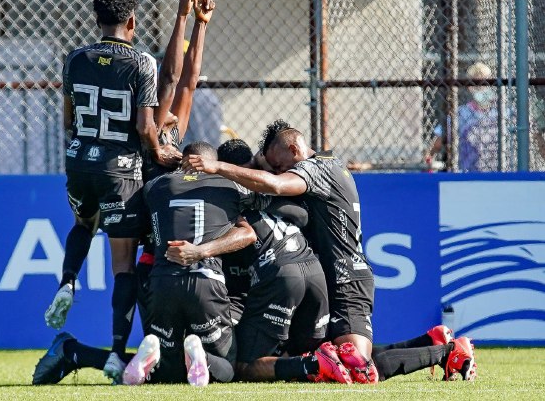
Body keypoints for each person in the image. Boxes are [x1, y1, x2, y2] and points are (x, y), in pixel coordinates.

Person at [184, 124, 477, 383]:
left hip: (347, 279)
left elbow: (273, 185)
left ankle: (449, 352)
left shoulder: (318, 168)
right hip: (331, 278)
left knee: (360, 368)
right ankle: (429, 340)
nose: (277, 171)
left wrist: (217, 167)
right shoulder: (323, 166)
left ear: (294, 148)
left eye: (278, 164)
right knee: (343, 355)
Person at [42, 0, 182, 383]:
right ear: (133, 22)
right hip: (119, 169)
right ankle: (117, 354)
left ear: (96, 19)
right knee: (123, 266)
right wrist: (158, 150)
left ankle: (68, 281)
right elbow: (144, 127)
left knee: (82, 224)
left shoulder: (74, 59)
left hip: (78, 163)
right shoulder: (141, 63)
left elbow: (68, 119)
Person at [123, 141, 269, 387]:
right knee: (228, 367)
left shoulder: (155, 186)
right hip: (205, 282)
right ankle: (205, 357)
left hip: (162, 282)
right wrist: (202, 251)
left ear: (183, 160)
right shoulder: (232, 187)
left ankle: (153, 353)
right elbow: (249, 233)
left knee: (169, 372)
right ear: (211, 163)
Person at [425, 62, 500, 172]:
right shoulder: (461, 114)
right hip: (468, 173)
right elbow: (437, 143)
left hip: (500, 172)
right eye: (477, 84)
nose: (483, 88)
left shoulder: (502, 113)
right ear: (470, 87)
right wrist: (428, 160)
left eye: (486, 83)